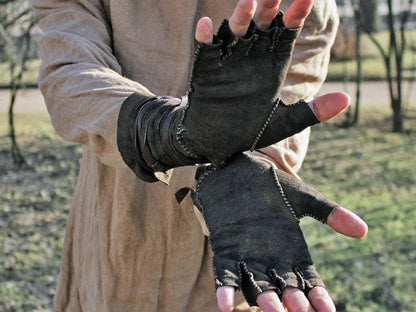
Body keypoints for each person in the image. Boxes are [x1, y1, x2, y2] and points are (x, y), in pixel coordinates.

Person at [33, 0, 367, 311]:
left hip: (228, 255)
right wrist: (161, 131)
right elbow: (71, 65)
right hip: (114, 229)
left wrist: (257, 161)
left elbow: (298, 63)